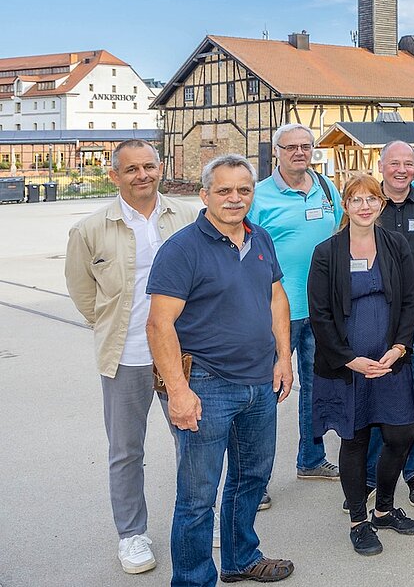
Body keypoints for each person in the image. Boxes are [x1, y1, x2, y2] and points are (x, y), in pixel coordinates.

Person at [146, 154, 295, 587]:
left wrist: (284, 358)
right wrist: (178, 390)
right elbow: (159, 324)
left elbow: (277, 299)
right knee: (197, 497)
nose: (235, 198)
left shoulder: (261, 238)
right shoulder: (183, 249)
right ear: (204, 194)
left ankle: (240, 558)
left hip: (259, 382)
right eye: (224, 190)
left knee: (251, 477)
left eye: (243, 190)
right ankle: (192, 580)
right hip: (206, 385)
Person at [65, 139, 198, 575]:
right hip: (126, 356)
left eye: (148, 166)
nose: (142, 175)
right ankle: (132, 535)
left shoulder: (187, 217)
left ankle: (197, 522)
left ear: (160, 168)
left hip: (183, 355)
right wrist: (111, 327)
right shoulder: (89, 229)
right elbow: (84, 294)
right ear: (115, 175)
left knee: (193, 442)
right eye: (131, 169)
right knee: (125, 450)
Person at [308, 174, 414, 556]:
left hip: (390, 360)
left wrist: (400, 346)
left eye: (371, 199)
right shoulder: (326, 253)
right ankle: (359, 521)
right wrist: (350, 359)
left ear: (381, 204)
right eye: (356, 199)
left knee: (401, 434)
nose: (364, 206)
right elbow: (320, 315)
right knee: (354, 440)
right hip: (347, 366)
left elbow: (409, 301)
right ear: (345, 205)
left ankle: (386, 509)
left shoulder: (396, 245)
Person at [247, 123, 343, 485]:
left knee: (317, 389)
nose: (299, 152)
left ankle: (311, 459)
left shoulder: (326, 188)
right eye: (291, 147)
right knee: (267, 395)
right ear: (277, 152)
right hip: (275, 313)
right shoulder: (258, 196)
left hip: (319, 310)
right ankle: (255, 480)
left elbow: (336, 235)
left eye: (306, 146)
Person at [360, 142, 414, 510]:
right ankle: (371, 475)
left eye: (407, 164)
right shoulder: (367, 205)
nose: (401, 169)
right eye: (393, 163)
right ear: (381, 165)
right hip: (377, 318)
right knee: (377, 396)